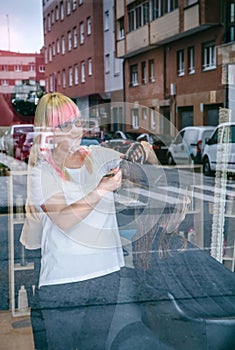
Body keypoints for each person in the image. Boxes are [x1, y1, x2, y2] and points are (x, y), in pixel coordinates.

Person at [20, 92, 126, 350]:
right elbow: (64, 219)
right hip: (65, 283)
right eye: (65, 126)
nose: (76, 130)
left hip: (107, 273)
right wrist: (102, 189)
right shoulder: (41, 173)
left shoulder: (97, 157)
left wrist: (141, 152)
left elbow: (142, 164)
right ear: (49, 133)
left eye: (77, 122)